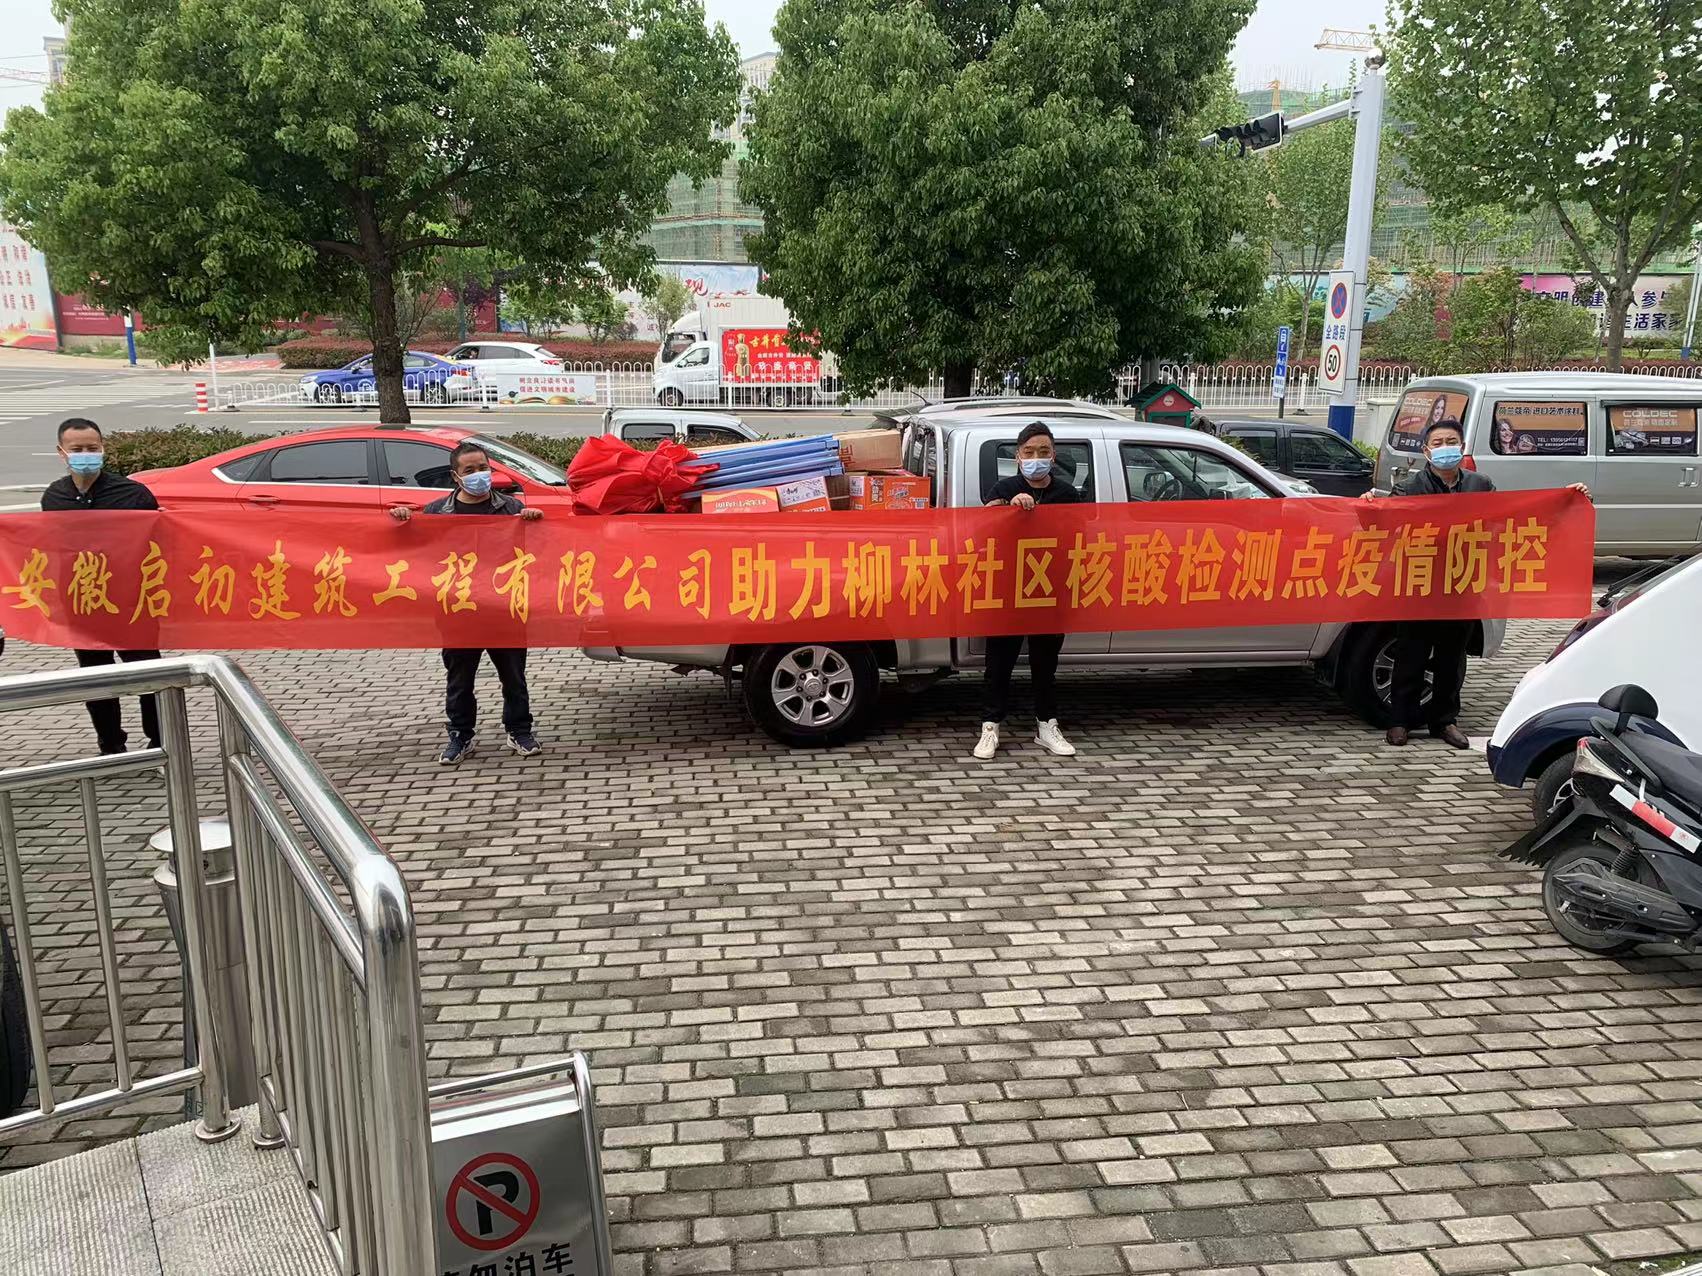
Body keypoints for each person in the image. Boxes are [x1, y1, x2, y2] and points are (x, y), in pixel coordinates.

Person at [1384, 417, 1589, 748]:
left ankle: (1444, 721)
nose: (1445, 448)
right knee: (1411, 655)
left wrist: (1566, 498)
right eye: (1438, 444)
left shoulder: (1480, 484)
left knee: (1452, 659)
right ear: (1426, 451)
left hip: (1463, 585)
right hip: (1419, 584)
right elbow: (1385, 526)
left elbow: (1508, 518)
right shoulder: (1409, 488)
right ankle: (1400, 721)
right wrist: (1367, 507)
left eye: (1451, 442)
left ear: (1462, 447)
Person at [389, 442, 544, 764]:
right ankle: (460, 734)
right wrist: (403, 523)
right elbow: (415, 553)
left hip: (503, 608)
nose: (478, 475)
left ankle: (519, 729)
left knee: (513, 676)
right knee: (460, 680)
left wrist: (534, 523)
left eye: (483, 468)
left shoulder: (512, 508)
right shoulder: (437, 512)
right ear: (456, 476)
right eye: (470, 470)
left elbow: (538, 551)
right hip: (457, 610)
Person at [41, 418, 163, 755]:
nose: (86, 454)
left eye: (92, 448)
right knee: (95, 678)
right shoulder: (55, 497)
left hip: (130, 603)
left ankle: (160, 742)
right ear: (62, 452)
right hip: (83, 604)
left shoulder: (133, 494)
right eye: (77, 449)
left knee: (149, 675)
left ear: (102, 449)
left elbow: (159, 544)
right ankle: (110, 745)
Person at [974, 421, 1080, 761]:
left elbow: (1078, 538)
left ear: (1054, 456)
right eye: (1029, 452)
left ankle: (1047, 725)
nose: (1037, 458)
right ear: (1018, 457)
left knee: (1045, 664)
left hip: (1049, 592)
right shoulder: (1003, 488)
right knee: (998, 664)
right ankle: (990, 726)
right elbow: (983, 527)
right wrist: (1008, 506)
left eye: (1044, 452)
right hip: (1008, 591)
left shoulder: (1068, 494)